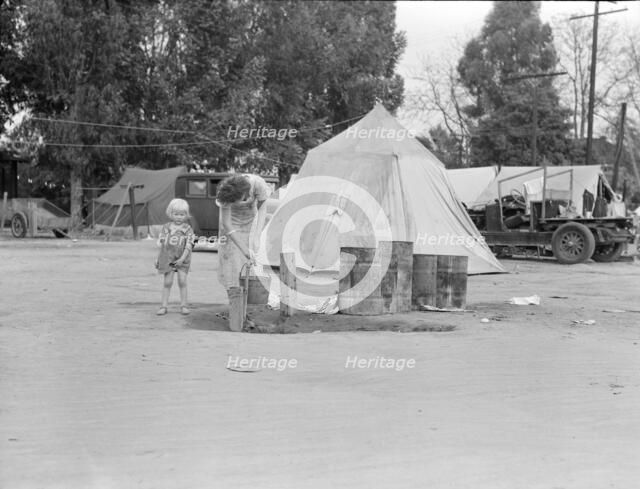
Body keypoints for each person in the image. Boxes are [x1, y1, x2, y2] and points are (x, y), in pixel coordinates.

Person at [215, 174, 272, 328]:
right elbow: (227, 224)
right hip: (231, 226)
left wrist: (256, 236)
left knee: (250, 266)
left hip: (251, 222)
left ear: (246, 193)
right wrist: (244, 249)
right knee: (232, 266)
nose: (237, 203)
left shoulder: (257, 184)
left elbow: (262, 209)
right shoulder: (224, 193)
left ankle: (247, 309)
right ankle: (237, 311)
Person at [155, 198, 195, 316]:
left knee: (182, 281)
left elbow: (189, 244)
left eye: (182, 214)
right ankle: (164, 306)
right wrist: (158, 258)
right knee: (168, 282)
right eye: (176, 214)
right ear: (170, 213)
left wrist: (182, 259)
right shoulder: (166, 227)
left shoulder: (187, 229)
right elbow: (162, 244)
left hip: (183, 258)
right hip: (168, 257)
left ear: (186, 215)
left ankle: (184, 305)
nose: (178, 217)